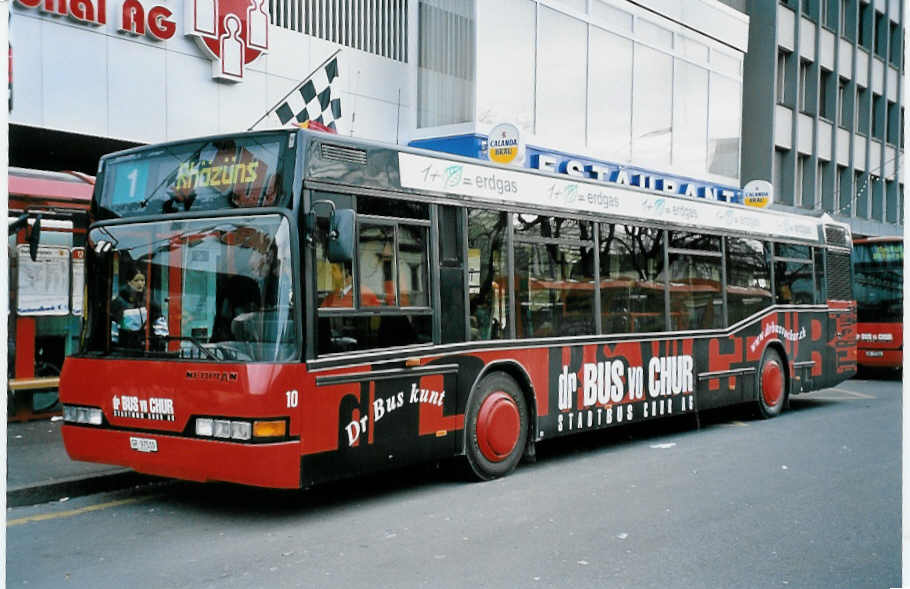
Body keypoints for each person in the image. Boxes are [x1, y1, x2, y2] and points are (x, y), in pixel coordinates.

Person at [111, 268, 167, 348]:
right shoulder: (119, 303)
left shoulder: (151, 303)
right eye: (136, 280)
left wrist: (160, 339)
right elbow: (113, 328)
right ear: (129, 282)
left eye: (142, 280)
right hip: (124, 348)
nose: (140, 283)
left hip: (146, 348)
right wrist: (114, 344)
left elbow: (160, 325)